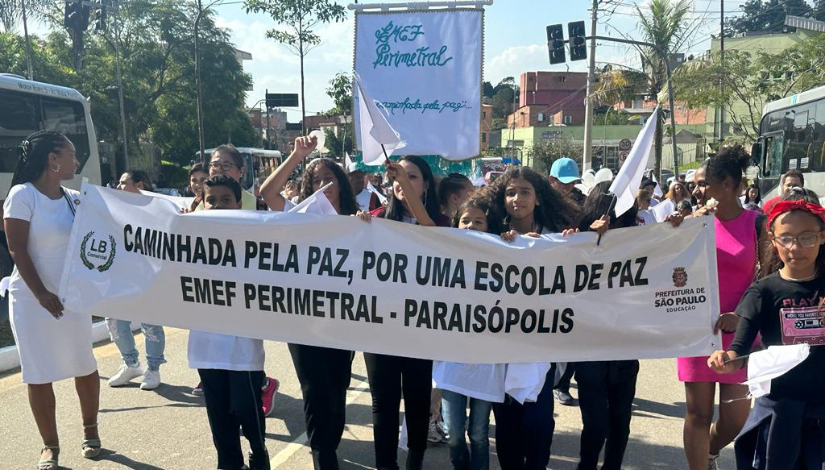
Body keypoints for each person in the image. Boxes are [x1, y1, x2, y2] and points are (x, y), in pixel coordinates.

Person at [3, 131, 101, 469]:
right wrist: (41, 294)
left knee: (84, 364)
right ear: (52, 159)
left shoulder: (76, 198)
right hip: (32, 300)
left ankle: (90, 430)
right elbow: (16, 248)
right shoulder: (23, 195)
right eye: (72, 154)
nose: (77, 161)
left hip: (72, 299)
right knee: (38, 371)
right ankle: (50, 446)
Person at [260, 136, 357, 470]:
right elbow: (267, 194)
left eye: (329, 179)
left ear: (342, 185)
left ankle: (329, 444)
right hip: (303, 319)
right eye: (315, 180)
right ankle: (324, 458)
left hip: (343, 321)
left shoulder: (357, 221)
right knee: (314, 388)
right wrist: (297, 155)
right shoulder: (296, 215)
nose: (322, 185)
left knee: (337, 386)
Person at [708, 193, 825, 470]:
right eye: (786, 238)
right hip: (779, 413)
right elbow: (740, 347)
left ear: (822, 237)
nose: (796, 247)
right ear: (773, 240)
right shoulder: (763, 291)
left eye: (807, 237)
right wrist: (726, 360)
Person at [356, 155, 450, 470]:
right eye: (397, 177)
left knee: (417, 400)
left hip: (420, 327)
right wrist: (357, 227)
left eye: (411, 177)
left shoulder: (442, 223)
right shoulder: (377, 218)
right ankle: (386, 466)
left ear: (426, 185)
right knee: (383, 403)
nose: (401, 183)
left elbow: (429, 231)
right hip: (380, 325)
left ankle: (414, 463)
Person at [486, 166, 579, 470]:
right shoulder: (487, 236)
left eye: (525, 192)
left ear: (538, 198)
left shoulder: (558, 237)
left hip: (541, 350)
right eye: (511, 192)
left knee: (539, 426)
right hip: (501, 348)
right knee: (508, 429)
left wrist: (575, 245)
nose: (517, 198)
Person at [681, 145, 766, 470]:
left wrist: (742, 314)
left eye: (705, 184)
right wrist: (683, 228)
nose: (698, 190)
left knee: (734, 419)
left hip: (740, 333)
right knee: (698, 414)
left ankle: (711, 451)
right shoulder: (694, 223)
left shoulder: (758, 224)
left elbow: (766, 277)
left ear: (728, 185)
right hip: (696, 332)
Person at [188, 175, 270, 470]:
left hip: (243, 346)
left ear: (238, 203)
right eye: (212, 200)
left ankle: (258, 452)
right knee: (219, 415)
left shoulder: (255, 237)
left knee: (247, 410)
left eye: (226, 200)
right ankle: (229, 463)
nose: (219, 205)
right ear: (202, 204)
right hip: (207, 346)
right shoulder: (189, 238)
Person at [192, 144, 279, 414]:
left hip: (243, 294)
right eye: (215, 164)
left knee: (245, 360)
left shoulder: (256, 205)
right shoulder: (200, 203)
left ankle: (261, 385)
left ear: (241, 172)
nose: (219, 169)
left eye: (226, 165)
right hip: (211, 297)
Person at [433, 196, 506, 470]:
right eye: (465, 221)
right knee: (454, 432)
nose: (471, 226)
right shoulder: (445, 253)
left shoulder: (502, 254)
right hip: (453, 361)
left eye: (479, 221)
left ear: (489, 226)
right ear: (456, 224)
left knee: (478, 432)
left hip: (486, 362)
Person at [574, 181, 642, 470]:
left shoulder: (641, 242)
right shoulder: (576, 241)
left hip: (625, 349)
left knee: (620, 423)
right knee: (596, 424)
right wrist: (587, 240)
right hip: (590, 350)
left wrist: (677, 226)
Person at [108, 170, 167, 390]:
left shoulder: (158, 208)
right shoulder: (114, 208)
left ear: (139, 184)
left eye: (123, 183)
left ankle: (153, 369)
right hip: (120, 276)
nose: (118, 187)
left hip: (147, 276)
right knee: (114, 319)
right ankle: (131, 363)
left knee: (149, 323)